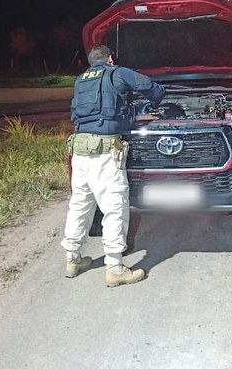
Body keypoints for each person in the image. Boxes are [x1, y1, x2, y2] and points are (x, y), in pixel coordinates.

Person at [62, 45, 165, 287]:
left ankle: (72, 260)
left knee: (80, 205)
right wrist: (157, 100)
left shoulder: (81, 80)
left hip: (79, 150)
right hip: (105, 152)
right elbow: (151, 88)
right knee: (114, 207)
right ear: (110, 58)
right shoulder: (117, 72)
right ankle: (115, 268)